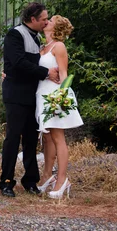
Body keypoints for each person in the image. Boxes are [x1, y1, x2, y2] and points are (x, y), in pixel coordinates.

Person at [0, 2, 60, 198]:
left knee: (31, 140)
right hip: (16, 96)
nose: (46, 22)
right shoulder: (15, 34)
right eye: (43, 19)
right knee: (13, 138)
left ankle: (30, 181)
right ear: (32, 19)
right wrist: (45, 73)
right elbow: (17, 62)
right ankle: (6, 182)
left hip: (34, 96)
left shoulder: (38, 38)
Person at [35, 15, 83, 199]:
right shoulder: (42, 48)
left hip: (54, 95)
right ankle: (47, 175)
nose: (47, 20)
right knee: (47, 138)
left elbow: (64, 74)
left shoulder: (59, 46)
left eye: (52, 19)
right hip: (41, 94)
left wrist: (62, 99)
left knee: (57, 137)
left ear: (57, 27)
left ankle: (62, 180)